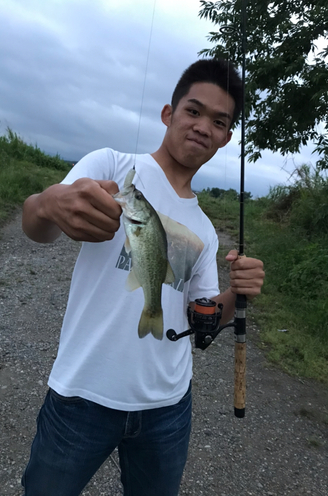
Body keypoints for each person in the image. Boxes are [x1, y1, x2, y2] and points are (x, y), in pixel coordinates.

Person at [21, 58, 265, 496]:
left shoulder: (205, 231)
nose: (202, 126)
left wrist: (238, 293)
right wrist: (47, 205)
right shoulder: (111, 168)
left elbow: (203, 318)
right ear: (168, 114)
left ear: (226, 137)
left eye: (218, 121)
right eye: (193, 111)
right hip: (81, 395)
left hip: (168, 409)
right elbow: (37, 227)